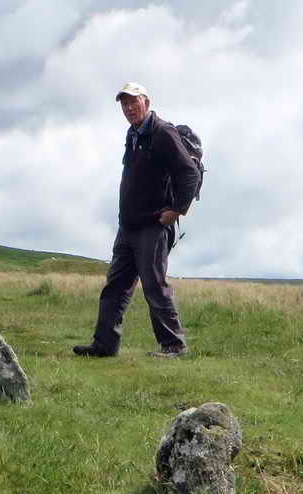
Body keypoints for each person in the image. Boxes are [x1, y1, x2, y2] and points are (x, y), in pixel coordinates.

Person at [74, 82, 199, 359]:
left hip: (152, 226)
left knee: (154, 285)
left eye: (134, 102)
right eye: (124, 104)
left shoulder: (162, 132)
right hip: (128, 227)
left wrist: (177, 210)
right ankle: (104, 346)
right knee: (115, 288)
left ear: (147, 102)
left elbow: (189, 173)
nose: (129, 108)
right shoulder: (133, 134)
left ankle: (174, 346)